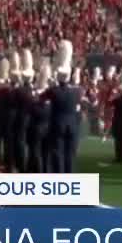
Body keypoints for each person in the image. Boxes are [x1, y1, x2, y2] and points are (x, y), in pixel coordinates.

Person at [42, 41, 83, 174]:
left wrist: (50, 82)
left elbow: (42, 97)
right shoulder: (77, 91)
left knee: (58, 153)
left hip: (57, 124)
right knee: (69, 154)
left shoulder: (54, 90)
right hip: (72, 126)